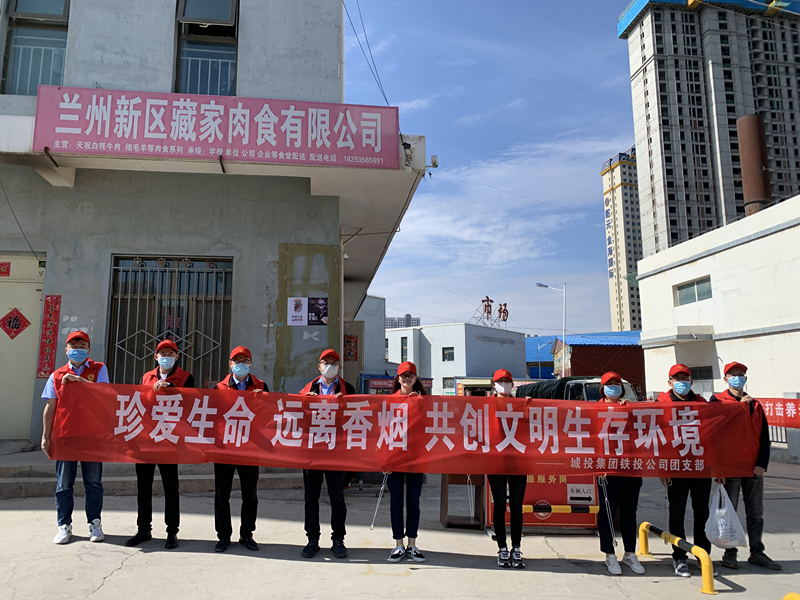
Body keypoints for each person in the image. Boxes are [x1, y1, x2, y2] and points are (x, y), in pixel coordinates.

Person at [710, 362, 781, 571]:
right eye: (733, 375)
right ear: (725, 379)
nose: (738, 378)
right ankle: (730, 552)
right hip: (730, 467)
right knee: (728, 511)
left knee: (756, 512)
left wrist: (762, 463)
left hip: (753, 467)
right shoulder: (717, 402)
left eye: (741, 374)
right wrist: (718, 469)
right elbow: (714, 436)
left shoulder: (754, 405)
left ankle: (757, 551)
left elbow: (764, 436)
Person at [41, 330, 109, 545]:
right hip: (65, 436)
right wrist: (46, 437)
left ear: (88, 349)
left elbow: (105, 395)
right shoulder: (57, 375)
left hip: (91, 436)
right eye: (74, 346)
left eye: (82, 346)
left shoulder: (99, 369)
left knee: (93, 483)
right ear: (66, 350)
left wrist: (80, 382)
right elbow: (50, 407)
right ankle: (64, 525)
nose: (78, 350)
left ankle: (95, 524)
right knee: (64, 484)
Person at [125, 339, 194, 550]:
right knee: (143, 487)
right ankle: (143, 529)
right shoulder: (146, 377)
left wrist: (171, 389)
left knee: (170, 487)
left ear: (177, 357)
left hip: (169, 439)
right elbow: (139, 402)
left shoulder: (186, 377)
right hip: (147, 438)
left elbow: (191, 403)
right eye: (162, 354)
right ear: (156, 357)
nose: (166, 357)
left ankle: (172, 531)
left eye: (170, 354)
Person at [657, 363, 714, 578]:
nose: (681, 382)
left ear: (691, 381)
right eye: (677, 379)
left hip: (700, 467)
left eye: (685, 378)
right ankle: (679, 556)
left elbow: (714, 436)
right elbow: (657, 437)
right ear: (670, 382)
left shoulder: (702, 404)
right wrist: (662, 467)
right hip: (676, 467)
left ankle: (703, 556)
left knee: (702, 513)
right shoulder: (661, 405)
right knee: (677, 513)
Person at [299, 349, 355, 559]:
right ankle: (312, 539)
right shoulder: (308, 389)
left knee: (337, 497)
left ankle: (338, 539)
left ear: (339, 367)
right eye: (326, 362)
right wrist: (306, 403)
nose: (330, 366)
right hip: (312, 450)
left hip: (336, 451)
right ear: (319, 366)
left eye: (334, 362)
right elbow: (298, 416)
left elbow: (358, 417)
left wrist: (346, 404)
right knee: (311, 497)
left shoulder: (347, 389)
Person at [213, 346, 268, 553]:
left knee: (250, 495)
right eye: (237, 361)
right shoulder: (220, 387)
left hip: (250, 448)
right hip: (225, 448)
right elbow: (214, 415)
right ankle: (223, 535)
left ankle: (247, 534)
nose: (241, 364)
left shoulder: (261, 386)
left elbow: (267, 416)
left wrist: (263, 400)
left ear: (251, 363)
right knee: (222, 495)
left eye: (245, 361)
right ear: (230, 364)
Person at [596, 372, 645, 575]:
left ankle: (630, 553)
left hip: (630, 468)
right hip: (607, 470)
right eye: (610, 384)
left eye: (617, 383)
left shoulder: (630, 409)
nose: (614, 387)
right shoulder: (594, 410)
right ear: (602, 389)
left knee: (629, 512)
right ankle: (609, 554)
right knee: (607, 513)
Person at [385, 361, 427, 564]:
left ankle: (412, 544)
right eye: (404, 375)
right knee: (396, 502)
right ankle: (398, 544)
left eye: (411, 375)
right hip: (394, 458)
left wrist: (419, 403)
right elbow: (382, 430)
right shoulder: (389, 401)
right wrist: (383, 459)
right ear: (398, 378)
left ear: (416, 378)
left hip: (416, 458)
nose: (407, 378)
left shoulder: (424, 402)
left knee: (413, 502)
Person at [487, 368, 526, 569]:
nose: (504, 385)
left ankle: (516, 547)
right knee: (500, 505)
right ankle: (502, 547)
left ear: (512, 384)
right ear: (493, 385)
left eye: (507, 381)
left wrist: (531, 406)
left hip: (518, 461)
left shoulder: (522, 405)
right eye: (500, 381)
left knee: (517, 506)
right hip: (495, 462)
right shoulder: (485, 406)